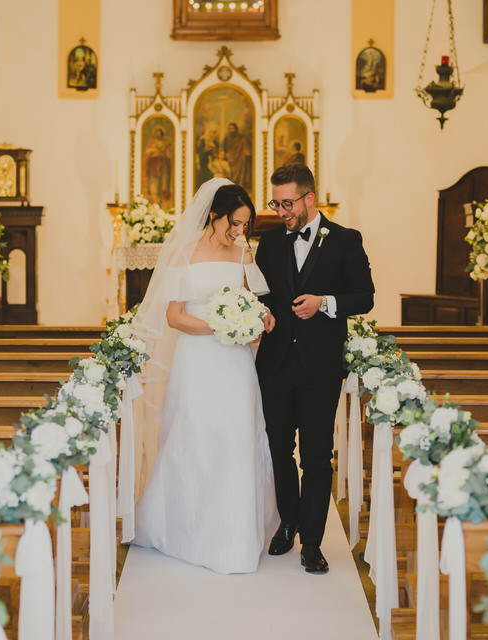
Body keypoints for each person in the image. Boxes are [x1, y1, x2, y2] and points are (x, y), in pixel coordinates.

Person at [130, 178, 279, 574]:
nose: (239, 231)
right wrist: (220, 325)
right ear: (213, 215)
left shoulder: (243, 253)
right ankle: (183, 527)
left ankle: (235, 535)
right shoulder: (182, 254)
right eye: (234, 222)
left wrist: (260, 318)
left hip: (235, 365)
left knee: (237, 436)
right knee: (194, 435)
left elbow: (259, 303)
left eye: (245, 224)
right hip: (197, 359)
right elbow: (175, 315)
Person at [254, 163, 375, 574]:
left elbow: (364, 297)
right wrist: (260, 314)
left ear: (309, 198)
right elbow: (261, 294)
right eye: (276, 202)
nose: (281, 211)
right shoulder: (268, 242)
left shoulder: (345, 240)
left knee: (318, 457)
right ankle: (287, 523)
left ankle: (313, 542)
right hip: (275, 364)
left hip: (320, 365)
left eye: (288, 203)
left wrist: (324, 302)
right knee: (278, 450)